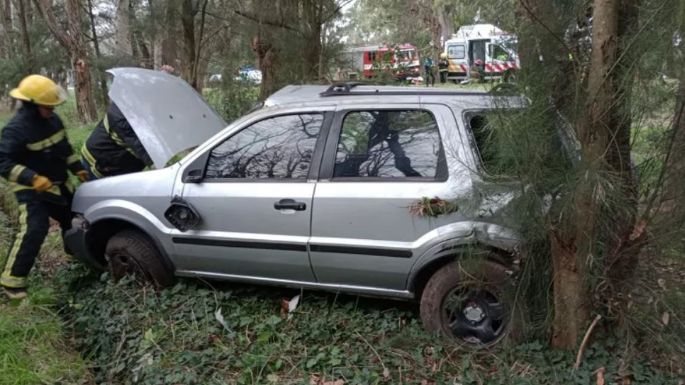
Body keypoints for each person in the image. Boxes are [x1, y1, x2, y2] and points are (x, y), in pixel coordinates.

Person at [0, 75, 88, 299]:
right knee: (34, 229)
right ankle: (12, 282)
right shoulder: (15, 130)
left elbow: (64, 148)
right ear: (32, 105)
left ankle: (74, 255)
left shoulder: (54, 121)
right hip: (33, 190)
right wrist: (32, 178)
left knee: (74, 220)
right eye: (47, 107)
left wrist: (77, 167)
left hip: (59, 183)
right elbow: (3, 162)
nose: (51, 110)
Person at [81, 102, 153, 179]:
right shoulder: (123, 113)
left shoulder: (141, 108)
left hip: (120, 165)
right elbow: (140, 147)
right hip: (98, 161)